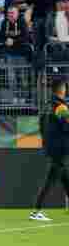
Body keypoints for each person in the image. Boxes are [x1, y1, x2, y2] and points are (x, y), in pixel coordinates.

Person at [31, 81, 69, 220]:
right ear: (61, 89)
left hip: (51, 147)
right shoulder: (61, 107)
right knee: (51, 180)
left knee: (65, 178)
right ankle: (36, 211)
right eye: (65, 87)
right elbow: (66, 127)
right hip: (60, 148)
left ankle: (36, 211)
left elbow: (41, 126)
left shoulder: (47, 105)